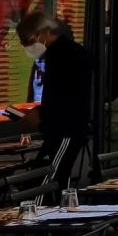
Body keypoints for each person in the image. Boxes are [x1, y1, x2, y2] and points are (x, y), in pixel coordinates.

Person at [16, 12, 93, 181]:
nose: (26, 47)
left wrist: (41, 115)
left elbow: (65, 96)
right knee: (53, 177)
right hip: (61, 128)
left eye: (28, 41)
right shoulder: (61, 53)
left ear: (45, 33)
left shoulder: (65, 55)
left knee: (51, 179)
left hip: (65, 129)